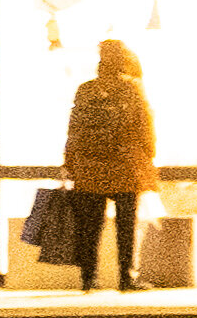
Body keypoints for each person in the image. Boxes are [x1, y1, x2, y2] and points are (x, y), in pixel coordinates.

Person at [53, 40, 155, 288]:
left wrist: (69, 161)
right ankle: (126, 278)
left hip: (90, 166)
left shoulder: (85, 89)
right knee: (126, 225)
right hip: (124, 165)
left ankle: (88, 279)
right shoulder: (131, 89)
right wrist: (149, 155)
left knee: (89, 226)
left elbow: (74, 127)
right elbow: (144, 124)